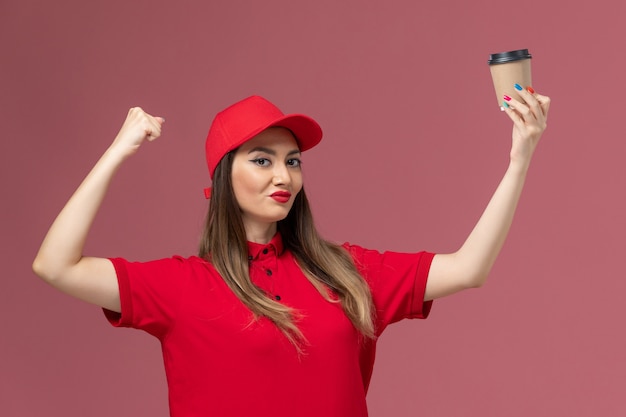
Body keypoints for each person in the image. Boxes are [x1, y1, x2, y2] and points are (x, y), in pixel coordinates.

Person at [33, 88, 550, 416]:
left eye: (293, 161)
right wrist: (119, 150)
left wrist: (520, 157)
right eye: (262, 160)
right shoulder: (181, 286)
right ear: (222, 176)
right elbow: (54, 265)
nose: (284, 176)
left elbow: (469, 268)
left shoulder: (347, 271)